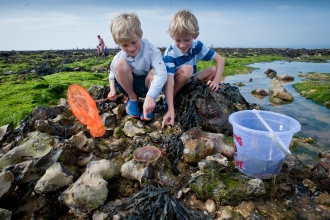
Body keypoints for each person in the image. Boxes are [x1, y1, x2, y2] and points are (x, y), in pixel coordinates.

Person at [162, 9, 225, 128]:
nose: (182, 45)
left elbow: (220, 60)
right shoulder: (170, 54)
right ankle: (170, 103)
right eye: (178, 40)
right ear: (172, 36)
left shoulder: (198, 46)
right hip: (175, 83)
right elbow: (169, 81)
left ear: (195, 36)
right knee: (187, 70)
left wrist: (216, 81)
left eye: (187, 40)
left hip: (191, 81)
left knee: (214, 70)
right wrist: (170, 108)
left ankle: (203, 96)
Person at [107, 13, 167, 121]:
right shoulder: (120, 55)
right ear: (119, 43)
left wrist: (151, 96)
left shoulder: (151, 50)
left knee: (155, 71)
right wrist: (112, 90)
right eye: (124, 45)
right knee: (119, 64)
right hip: (130, 86)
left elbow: (161, 72)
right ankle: (133, 98)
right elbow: (112, 73)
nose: (130, 48)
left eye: (134, 42)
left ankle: (148, 102)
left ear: (140, 35)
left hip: (146, 86)